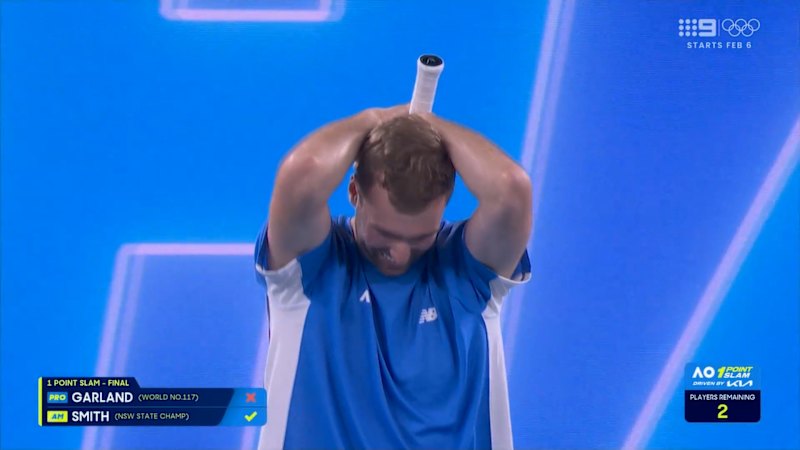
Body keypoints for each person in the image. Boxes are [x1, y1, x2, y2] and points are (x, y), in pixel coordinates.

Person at [254, 104, 532, 449]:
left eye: (420, 239)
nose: (399, 254)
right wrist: (374, 120)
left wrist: (427, 125)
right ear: (354, 192)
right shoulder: (308, 272)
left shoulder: (469, 277)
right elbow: (304, 171)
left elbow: (511, 189)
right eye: (384, 234)